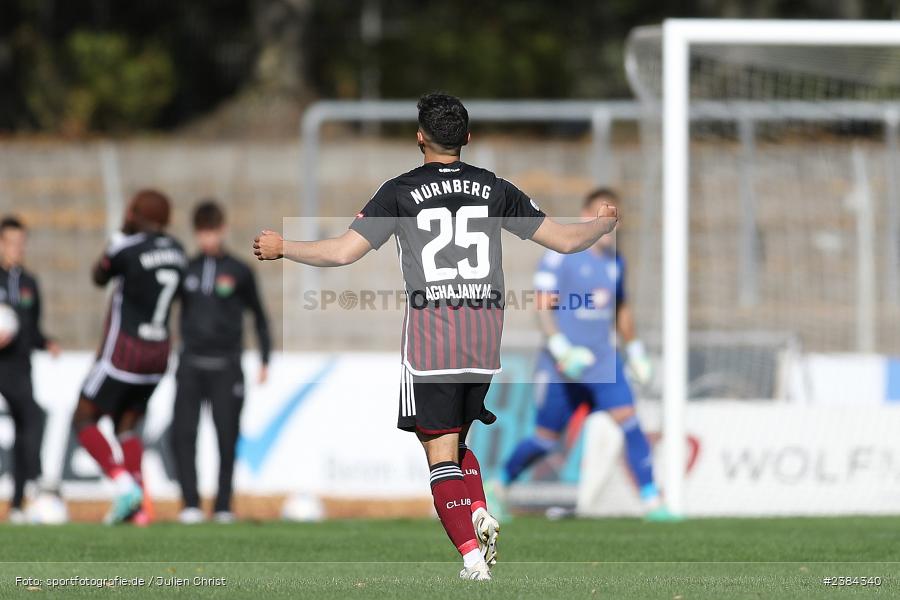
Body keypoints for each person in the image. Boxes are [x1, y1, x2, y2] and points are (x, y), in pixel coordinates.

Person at [253, 93, 618, 580]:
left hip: (433, 337)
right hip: (485, 335)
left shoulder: (400, 191)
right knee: (458, 443)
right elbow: (569, 241)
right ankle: (479, 511)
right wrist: (602, 224)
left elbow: (343, 253)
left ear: (420, 136)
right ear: (467, 138)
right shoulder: (494, 188)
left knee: (438, 451)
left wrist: (283, 248)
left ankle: (472, 558)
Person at [499, 188, 675, 521]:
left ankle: (652, 500)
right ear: (585, 216)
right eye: (602, 214)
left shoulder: (616, 262)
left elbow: (621, 307)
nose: (610, 223)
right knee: (545, 440)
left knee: (631, 424)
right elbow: (543, 305)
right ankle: (500, 486)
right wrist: (560, 346)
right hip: (562, 368)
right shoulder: (560, 255)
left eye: (614, 216)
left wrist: (635, 348)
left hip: (603, 364)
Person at [73, 190, 186, 525]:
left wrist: (116, 240)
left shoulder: (127, 247)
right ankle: (139, 512)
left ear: (136, 215)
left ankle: (124, 485)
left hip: (123, 354)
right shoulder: (178, 251)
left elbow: (98, 277)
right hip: (158, 356)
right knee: (128, 426)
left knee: (82, 419)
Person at [172, 200, 271, 524]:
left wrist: (265, 358)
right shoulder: (186, 269)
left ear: (222, 230)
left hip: (226, 366)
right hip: (190, 364)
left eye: (212, 232)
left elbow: (259, 316)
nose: (207, 239)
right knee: (183, 435)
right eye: (201, 233)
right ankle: (190, 504)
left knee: (226, 437)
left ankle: (224, 505)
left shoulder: (239, 271)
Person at [0, 216, 60, 522]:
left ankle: (20, 501)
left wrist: (46, 342)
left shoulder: (29, 283)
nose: (16, 249)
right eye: (10, 243)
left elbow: (33, 328)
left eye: (21, 244)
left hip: (17, 366)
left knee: (29, 421)